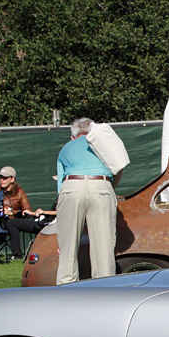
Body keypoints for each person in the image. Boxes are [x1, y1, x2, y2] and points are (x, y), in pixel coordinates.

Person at [56, 117, 122, 284]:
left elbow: (60, 182)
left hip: (71, 185)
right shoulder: (103, 145)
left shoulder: (65, 148)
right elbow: (118, 168)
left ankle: (65, 290)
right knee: (104, 249)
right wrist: (109, 189)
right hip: (101, 185)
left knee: (67, 249)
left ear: (73, 136)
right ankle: (105, 290)